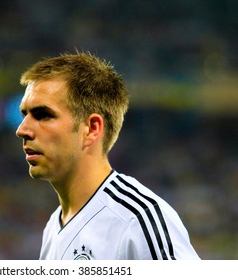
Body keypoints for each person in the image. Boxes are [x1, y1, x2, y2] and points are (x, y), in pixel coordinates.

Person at [15, 51, 200, 260]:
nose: (22, 130)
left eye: (43, 115)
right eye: (25, 114)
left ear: (92, 129)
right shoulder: (53, 227)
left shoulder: (136, 219)